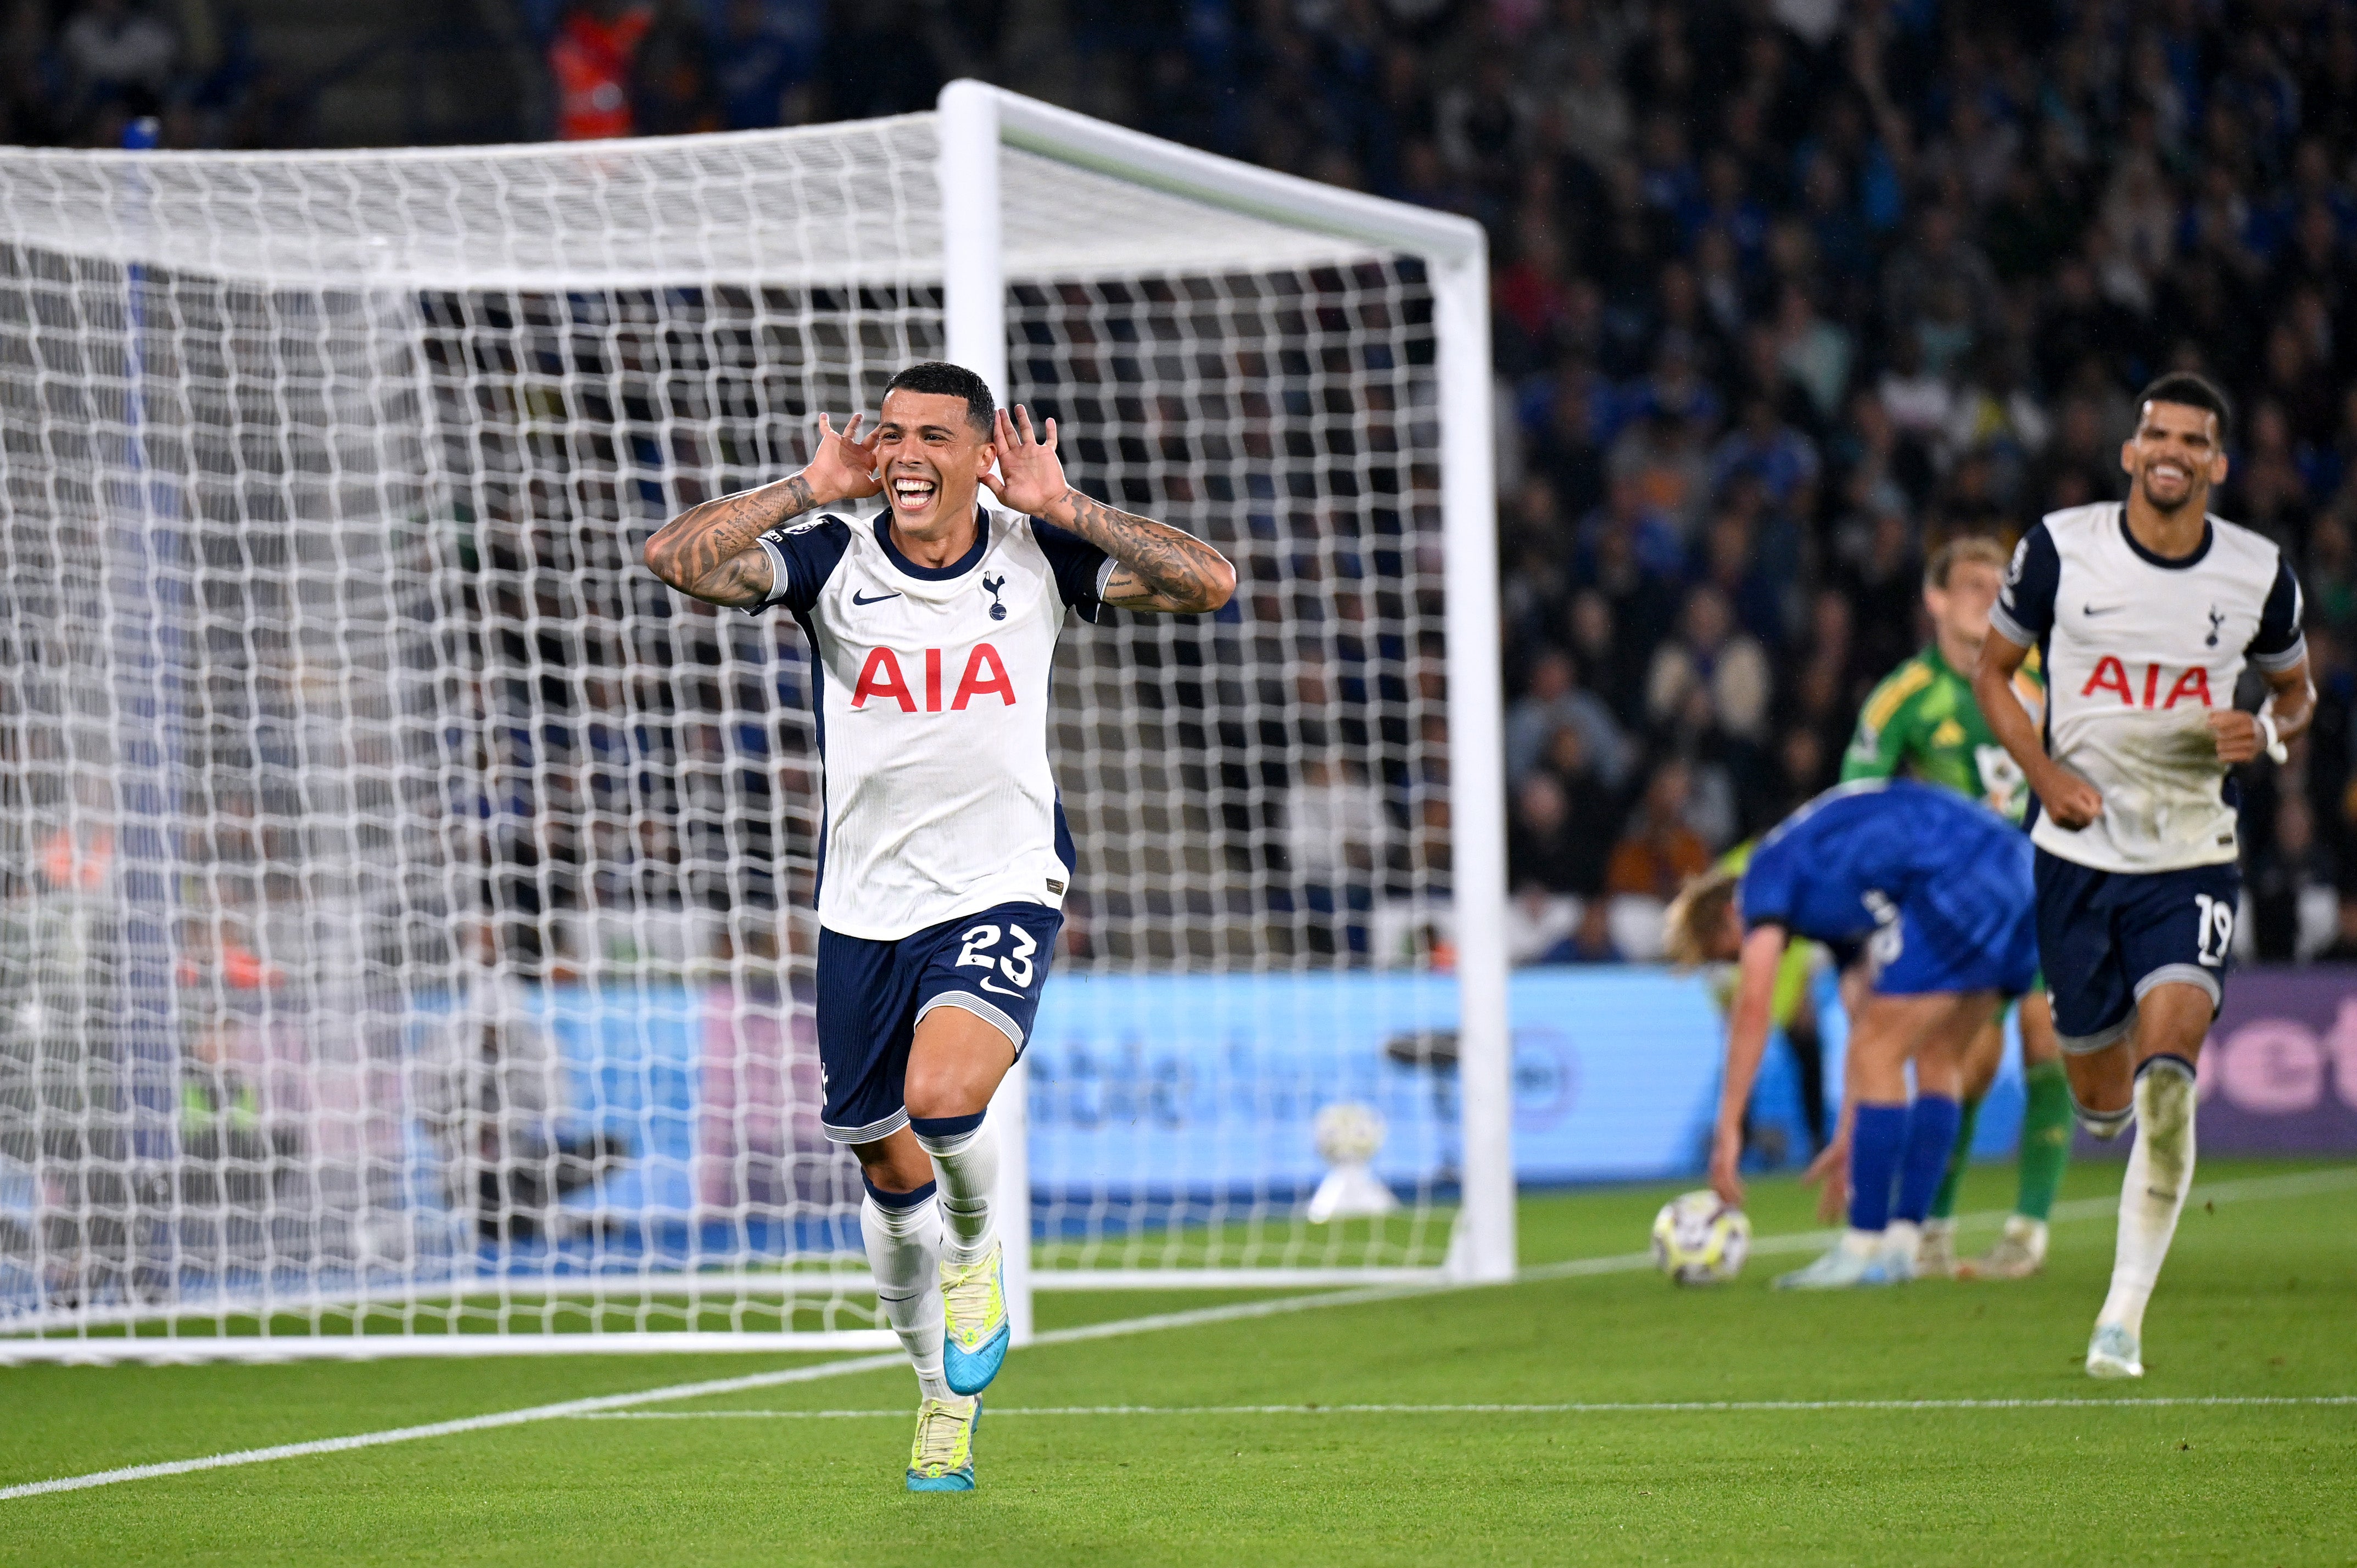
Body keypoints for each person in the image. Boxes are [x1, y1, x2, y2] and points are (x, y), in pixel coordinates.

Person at [642, 362, 1235, 1487]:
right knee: (883, 1171)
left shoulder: (1034, 553)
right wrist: (801, 488)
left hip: (1002, 882)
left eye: (930, 436)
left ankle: (980, 1256)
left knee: (944, 1100)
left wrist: (1066, 506)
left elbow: (1208, 582)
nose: (903, 452)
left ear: (979, 455)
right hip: (863, 909)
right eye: (890, 433)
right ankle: (936, 1406)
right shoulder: (830, 557)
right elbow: (674, 560)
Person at [1973, 373, 2312, 1380]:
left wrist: (2268, 734)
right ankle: (2105, 1105)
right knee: (2102, 1100)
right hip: (2074, 859)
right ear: (2129, 451)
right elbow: (1992, 671)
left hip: (2190, 856)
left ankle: (2119, 1320)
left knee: (2168, 1081)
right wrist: (2043, 774)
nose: (2170, 451)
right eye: (2153, 433)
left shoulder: (2258, 574)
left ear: (2215, 462)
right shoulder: (2056, 550)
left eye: (2191, 440)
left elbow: (2295, 695)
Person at [1664, 779, 2037, 1289]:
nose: (1739, 962)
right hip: (2019, 869)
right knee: (1937, 1056)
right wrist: (1849, 1137)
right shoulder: (1835, 907)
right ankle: (1905, 1244)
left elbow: (1754, 1009)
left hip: (1959, 875)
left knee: (1881, 1051)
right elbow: (1863, 1010)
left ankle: (1863, 1247)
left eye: (1728, 954)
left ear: (1730, 916)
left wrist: (1728, 1128)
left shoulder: (1763, 876)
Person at [1840, 536, 2073, 1281]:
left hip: (2046, 888)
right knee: (1966, 1068)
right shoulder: (1905, 697)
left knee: (2046, 1039)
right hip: (1959, 914)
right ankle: (1934, 1224)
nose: (1986, 595)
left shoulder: (2048, 681)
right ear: (1934, 600)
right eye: (1970, 584)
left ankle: (2027, 1232)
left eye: (1996, 583)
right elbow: (1859, 804)